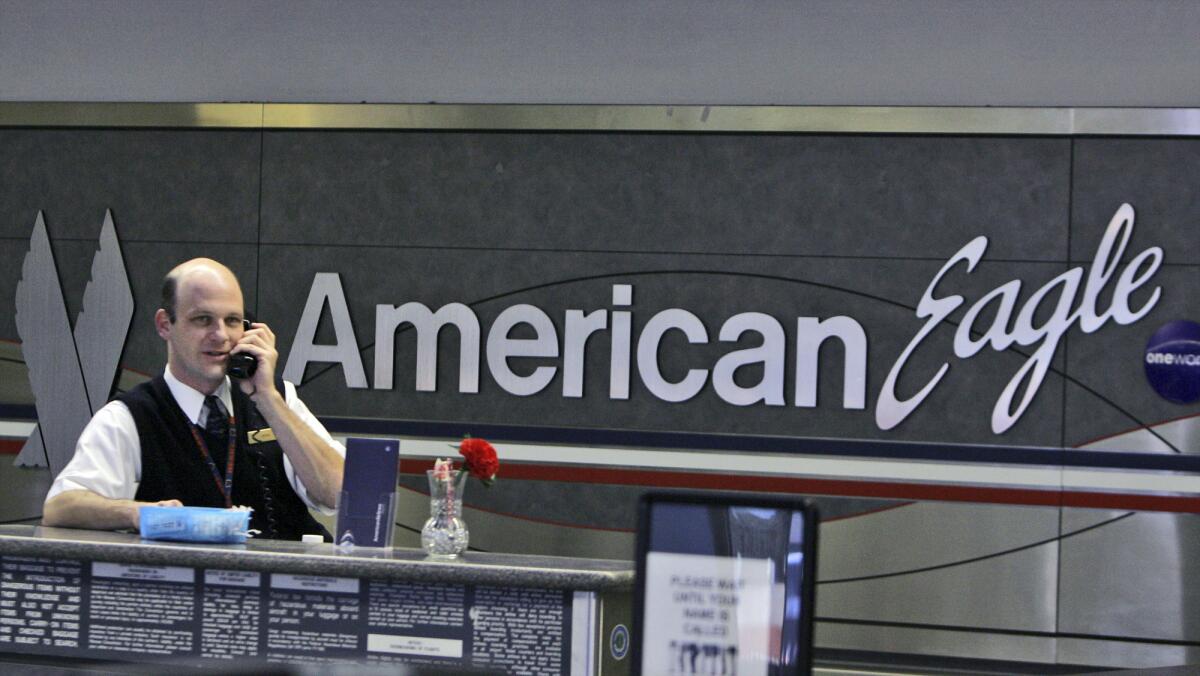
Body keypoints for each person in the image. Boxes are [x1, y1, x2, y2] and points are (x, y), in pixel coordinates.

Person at [43, 258, 345, 540]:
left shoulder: (278, 400)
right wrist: (138, 513)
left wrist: (268, 399)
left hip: (286, 585)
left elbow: (342, 493)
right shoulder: (130, 417)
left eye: (233, 321)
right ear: (165, 325)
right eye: (203, 320)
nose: (221, 335)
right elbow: (60, 507)